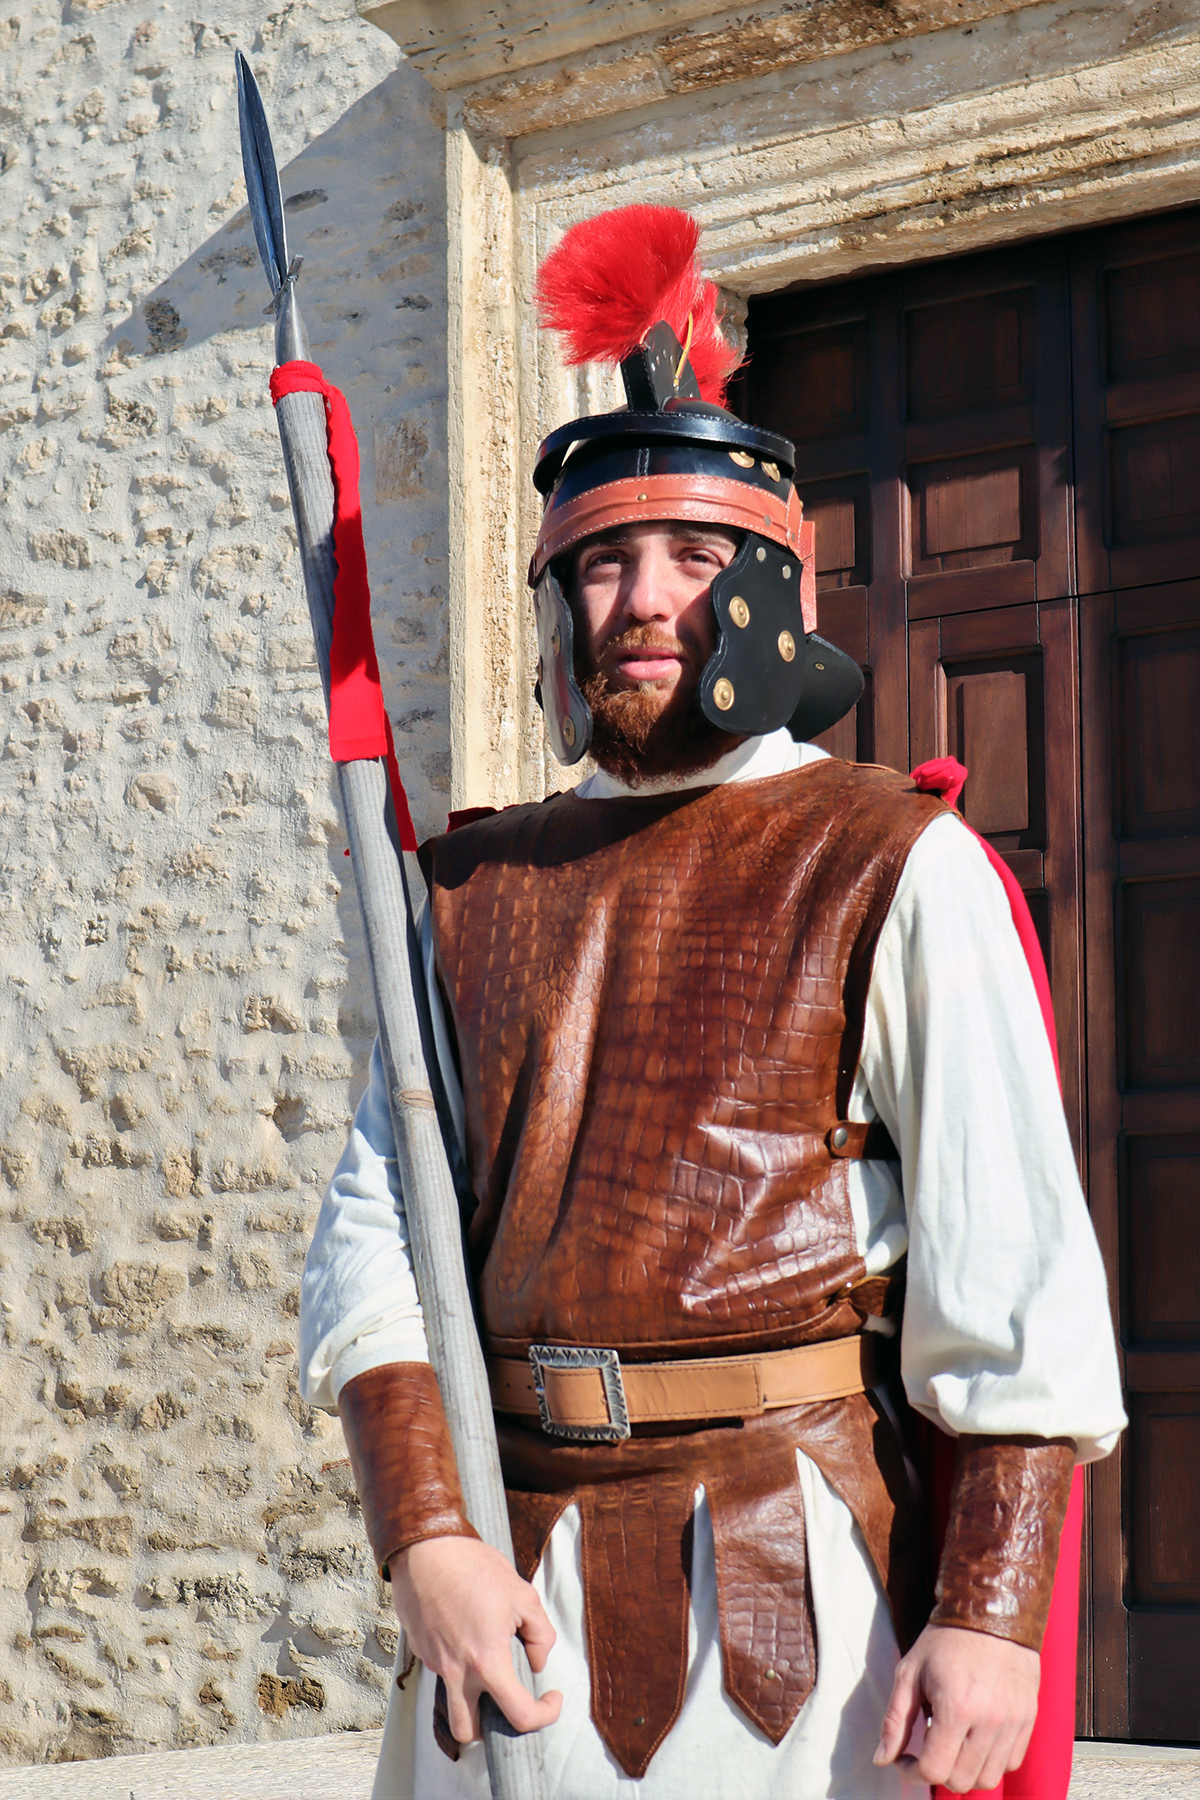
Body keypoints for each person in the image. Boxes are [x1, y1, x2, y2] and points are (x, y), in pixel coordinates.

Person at [299, 206, 1125, 1800]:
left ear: (770, 590)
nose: (643, 598)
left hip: (786, 1586)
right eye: (602, 561)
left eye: (692, 556)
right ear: (559, 609)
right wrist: (424, 1540)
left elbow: (1008, 1262)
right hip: (503, 1584)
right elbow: (375, 1243)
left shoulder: (891, 858)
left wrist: (994, 1611)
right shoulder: (468, 895)